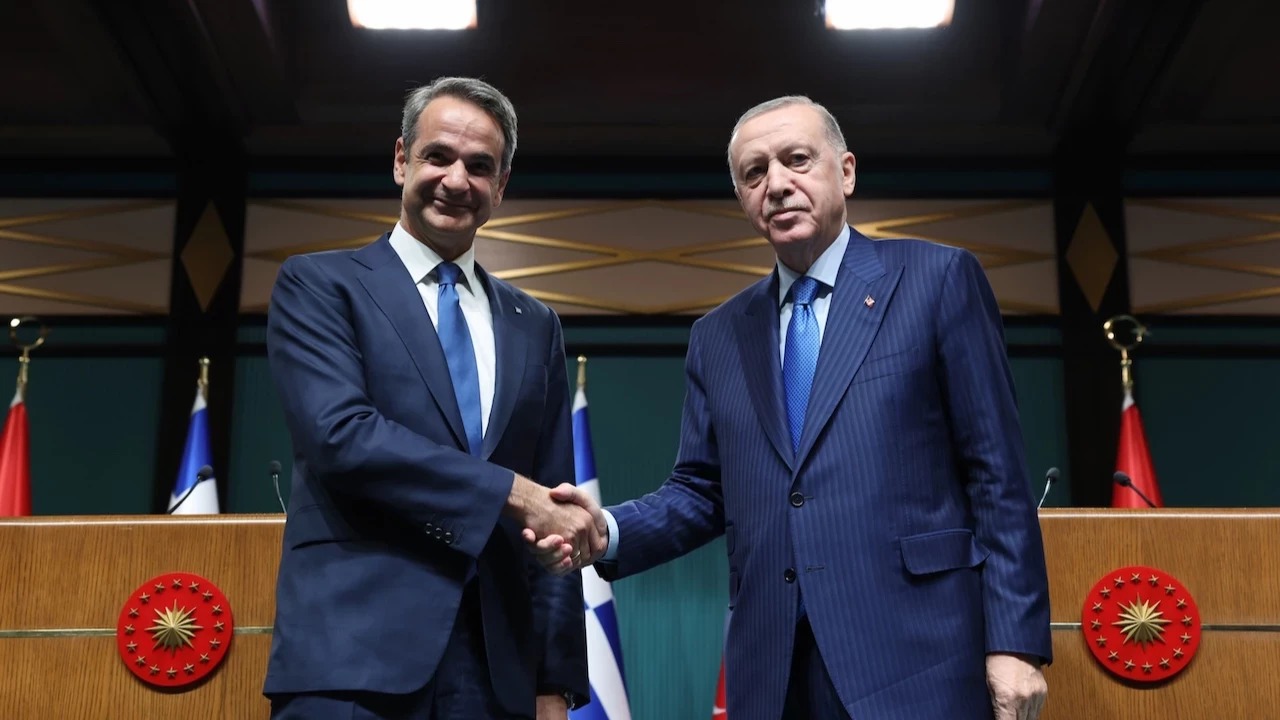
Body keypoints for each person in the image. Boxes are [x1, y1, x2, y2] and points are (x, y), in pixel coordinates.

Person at [530, 96, 1052, 720]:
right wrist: (606, 531)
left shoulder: (937, 280)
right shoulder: (718, 335)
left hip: (918, 661)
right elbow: (701, 490)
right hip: (773, 674)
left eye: (797, 160)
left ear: (846, 172)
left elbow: (997, 474)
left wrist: (1016, 643)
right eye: (754, 173)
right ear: (743, 199)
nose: (776, 184)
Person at [263, 76, 605, 720]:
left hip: (497, 675)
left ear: (501, 186)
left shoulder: (535, 323)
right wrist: (513, 493)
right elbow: (343, 437)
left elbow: (554, 507)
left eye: (480, 166)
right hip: (353, 664)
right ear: (402, 160)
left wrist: (555, 682)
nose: (456, 180)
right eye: (438, 156)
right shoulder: (320, 285)